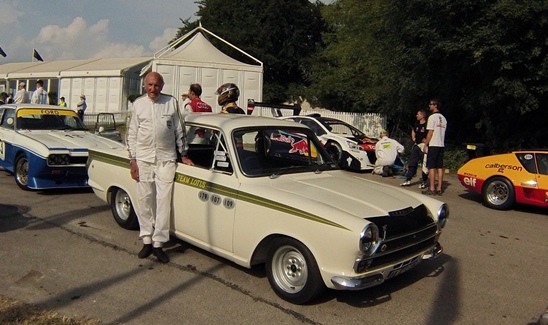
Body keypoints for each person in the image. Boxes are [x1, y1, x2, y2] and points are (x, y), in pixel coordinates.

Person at [127, 71, 193, 264]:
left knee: (163, 201)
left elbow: (180, 130)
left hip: (166, 159)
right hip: (144, 159)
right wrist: (133, 160)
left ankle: (158, 243)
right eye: (149, 85)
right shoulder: (138, 104)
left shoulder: (171, 103)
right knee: (144, 199)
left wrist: (184, 154)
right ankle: (146, 238)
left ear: (162, 86)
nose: (152, 89)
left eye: (156, 85)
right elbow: (131, 134)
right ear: (144, 86)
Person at [422, 98, 447, 196]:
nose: (429, 106)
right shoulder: (443, 119)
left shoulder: (432, 117)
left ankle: (432, 188)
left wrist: (426, 143)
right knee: (439, 167)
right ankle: (439, 188)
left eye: (431, 104)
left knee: (431, 167)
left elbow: (430, 132)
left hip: (433, 144)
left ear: (435, 105)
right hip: (441, 144)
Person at [401, 109, 429, 188]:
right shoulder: (416, 124)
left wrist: (427, 141)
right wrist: (413, 137)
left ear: (422, 115)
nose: (417, 115)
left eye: (418, 114)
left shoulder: (427, 124)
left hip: (423, 146)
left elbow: (431, 133)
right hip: (417, 145)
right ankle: (408, 179)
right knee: (412, 163)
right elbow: (413, 130)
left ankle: (424, 181)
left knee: (424, 165)